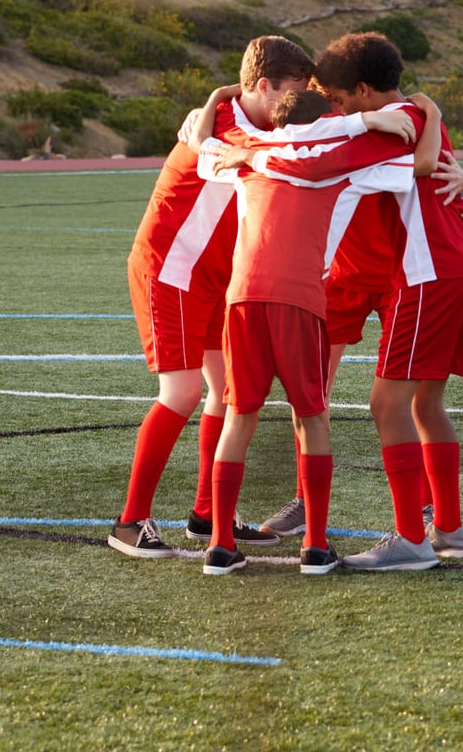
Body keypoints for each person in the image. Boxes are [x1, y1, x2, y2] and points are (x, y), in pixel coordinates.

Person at [200, 87, 444, 576]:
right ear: (329, 119)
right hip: (300, 299)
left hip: (242, 297)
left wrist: (218, 97)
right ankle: (314, 545)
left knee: (239, 415)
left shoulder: (249, 154)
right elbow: (421, 166)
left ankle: (221, 546)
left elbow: (203, 146)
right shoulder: (340, 164)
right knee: (312, 415)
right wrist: (430, 114)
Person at [107, 35, 312, 559]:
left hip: (213, 277)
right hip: (173, 270)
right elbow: (229, 148)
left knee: (229, 391)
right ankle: (129, 522)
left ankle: (205, 514)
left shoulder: (241, 116)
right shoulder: (225, 127)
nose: (295, 105)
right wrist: (218, 100)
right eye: (289, 92)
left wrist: (221, 93)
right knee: (179, 393)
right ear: (263, 86)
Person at [307, 32, 463, 572]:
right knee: (424, 405)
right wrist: (434, 114)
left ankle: (410, 537)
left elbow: (331, 155)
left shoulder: (391, 125)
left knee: (386, 405)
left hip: (426, 273)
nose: (335, 108)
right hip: (462, 266)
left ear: (364, 91)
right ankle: (449, 529)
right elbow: (441, 173)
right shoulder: (419, 113)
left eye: (339, 98)